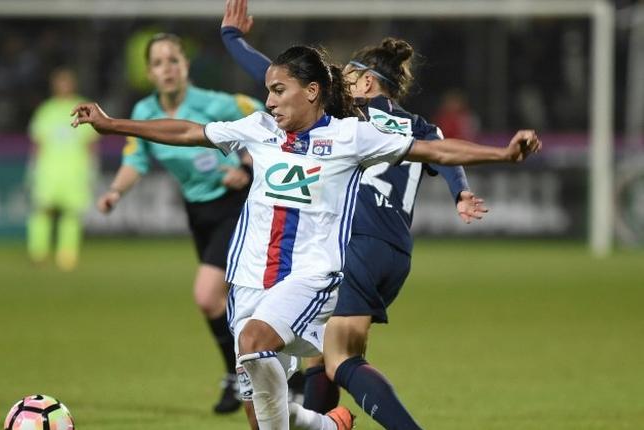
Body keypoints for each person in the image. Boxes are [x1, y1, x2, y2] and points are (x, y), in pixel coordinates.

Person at [70, 44, 541, 430]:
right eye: (267, 92)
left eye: (278, 91)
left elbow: (433, 147)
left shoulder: (350, 138)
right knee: (262, 410)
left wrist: (503, 155)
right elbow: (189, 131)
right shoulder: (258, 130)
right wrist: (111, 123)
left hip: (311, 278)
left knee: (257, 343)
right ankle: (326, 426)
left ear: (313, 92)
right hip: (249, 280)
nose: (269, 101)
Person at [220, 1, 488, 429]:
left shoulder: (348, 116)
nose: (333, 85)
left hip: (352, 242)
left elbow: (272, 75)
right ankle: (330, 422)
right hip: (395, 250)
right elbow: (444, 155)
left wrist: (233, 39)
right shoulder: (420, 125)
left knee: (340, 357)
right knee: (324, 351)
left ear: (365, 82)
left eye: (343, 78)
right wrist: (462, 193)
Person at [96, 32, 265, 414]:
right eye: (158, 63)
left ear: (186, 65)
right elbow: (135, 159)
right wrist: (115, 193)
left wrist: (245, 165)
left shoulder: (216, 103)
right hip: (199, 212)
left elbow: (268, 125)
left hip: (236, 205)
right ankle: (257, 375)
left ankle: (249, 377)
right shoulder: (143, 113)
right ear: (149, 72)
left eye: (174, 59)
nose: (167, 68)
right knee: (227, 302)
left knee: (208, 295)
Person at [27, 67, 99, 271]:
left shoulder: (84, 108)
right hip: (49, 171)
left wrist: (93, 168)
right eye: (60, 82)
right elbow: (37, 143)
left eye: (67, 81)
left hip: (75, 172)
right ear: (54, 85)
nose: (64, 86)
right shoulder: (46, 110)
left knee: (72, 214)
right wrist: (32, 168)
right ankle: (38, 252)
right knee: (42, 211)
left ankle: (67, 254)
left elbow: (91, 143)